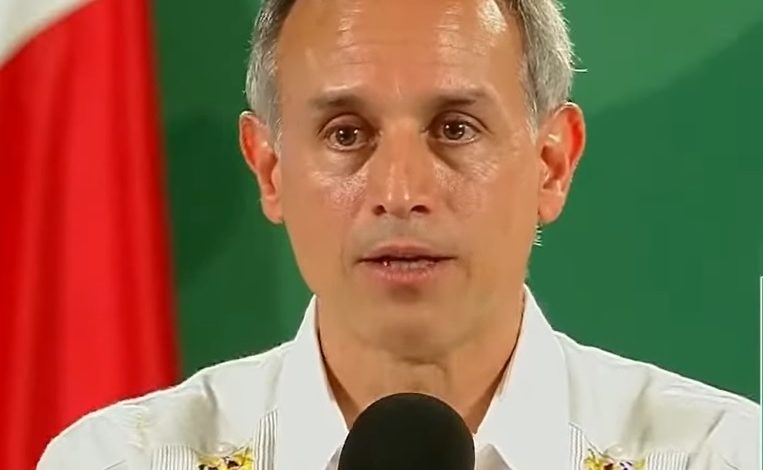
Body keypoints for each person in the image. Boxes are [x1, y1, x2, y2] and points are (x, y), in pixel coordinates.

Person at [38, 0, 760, 469]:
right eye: (346, 133)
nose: (400, 191)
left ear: (551, 164)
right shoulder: (118, 460)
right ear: (270, 171)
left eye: (455, 128)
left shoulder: (719, 456)